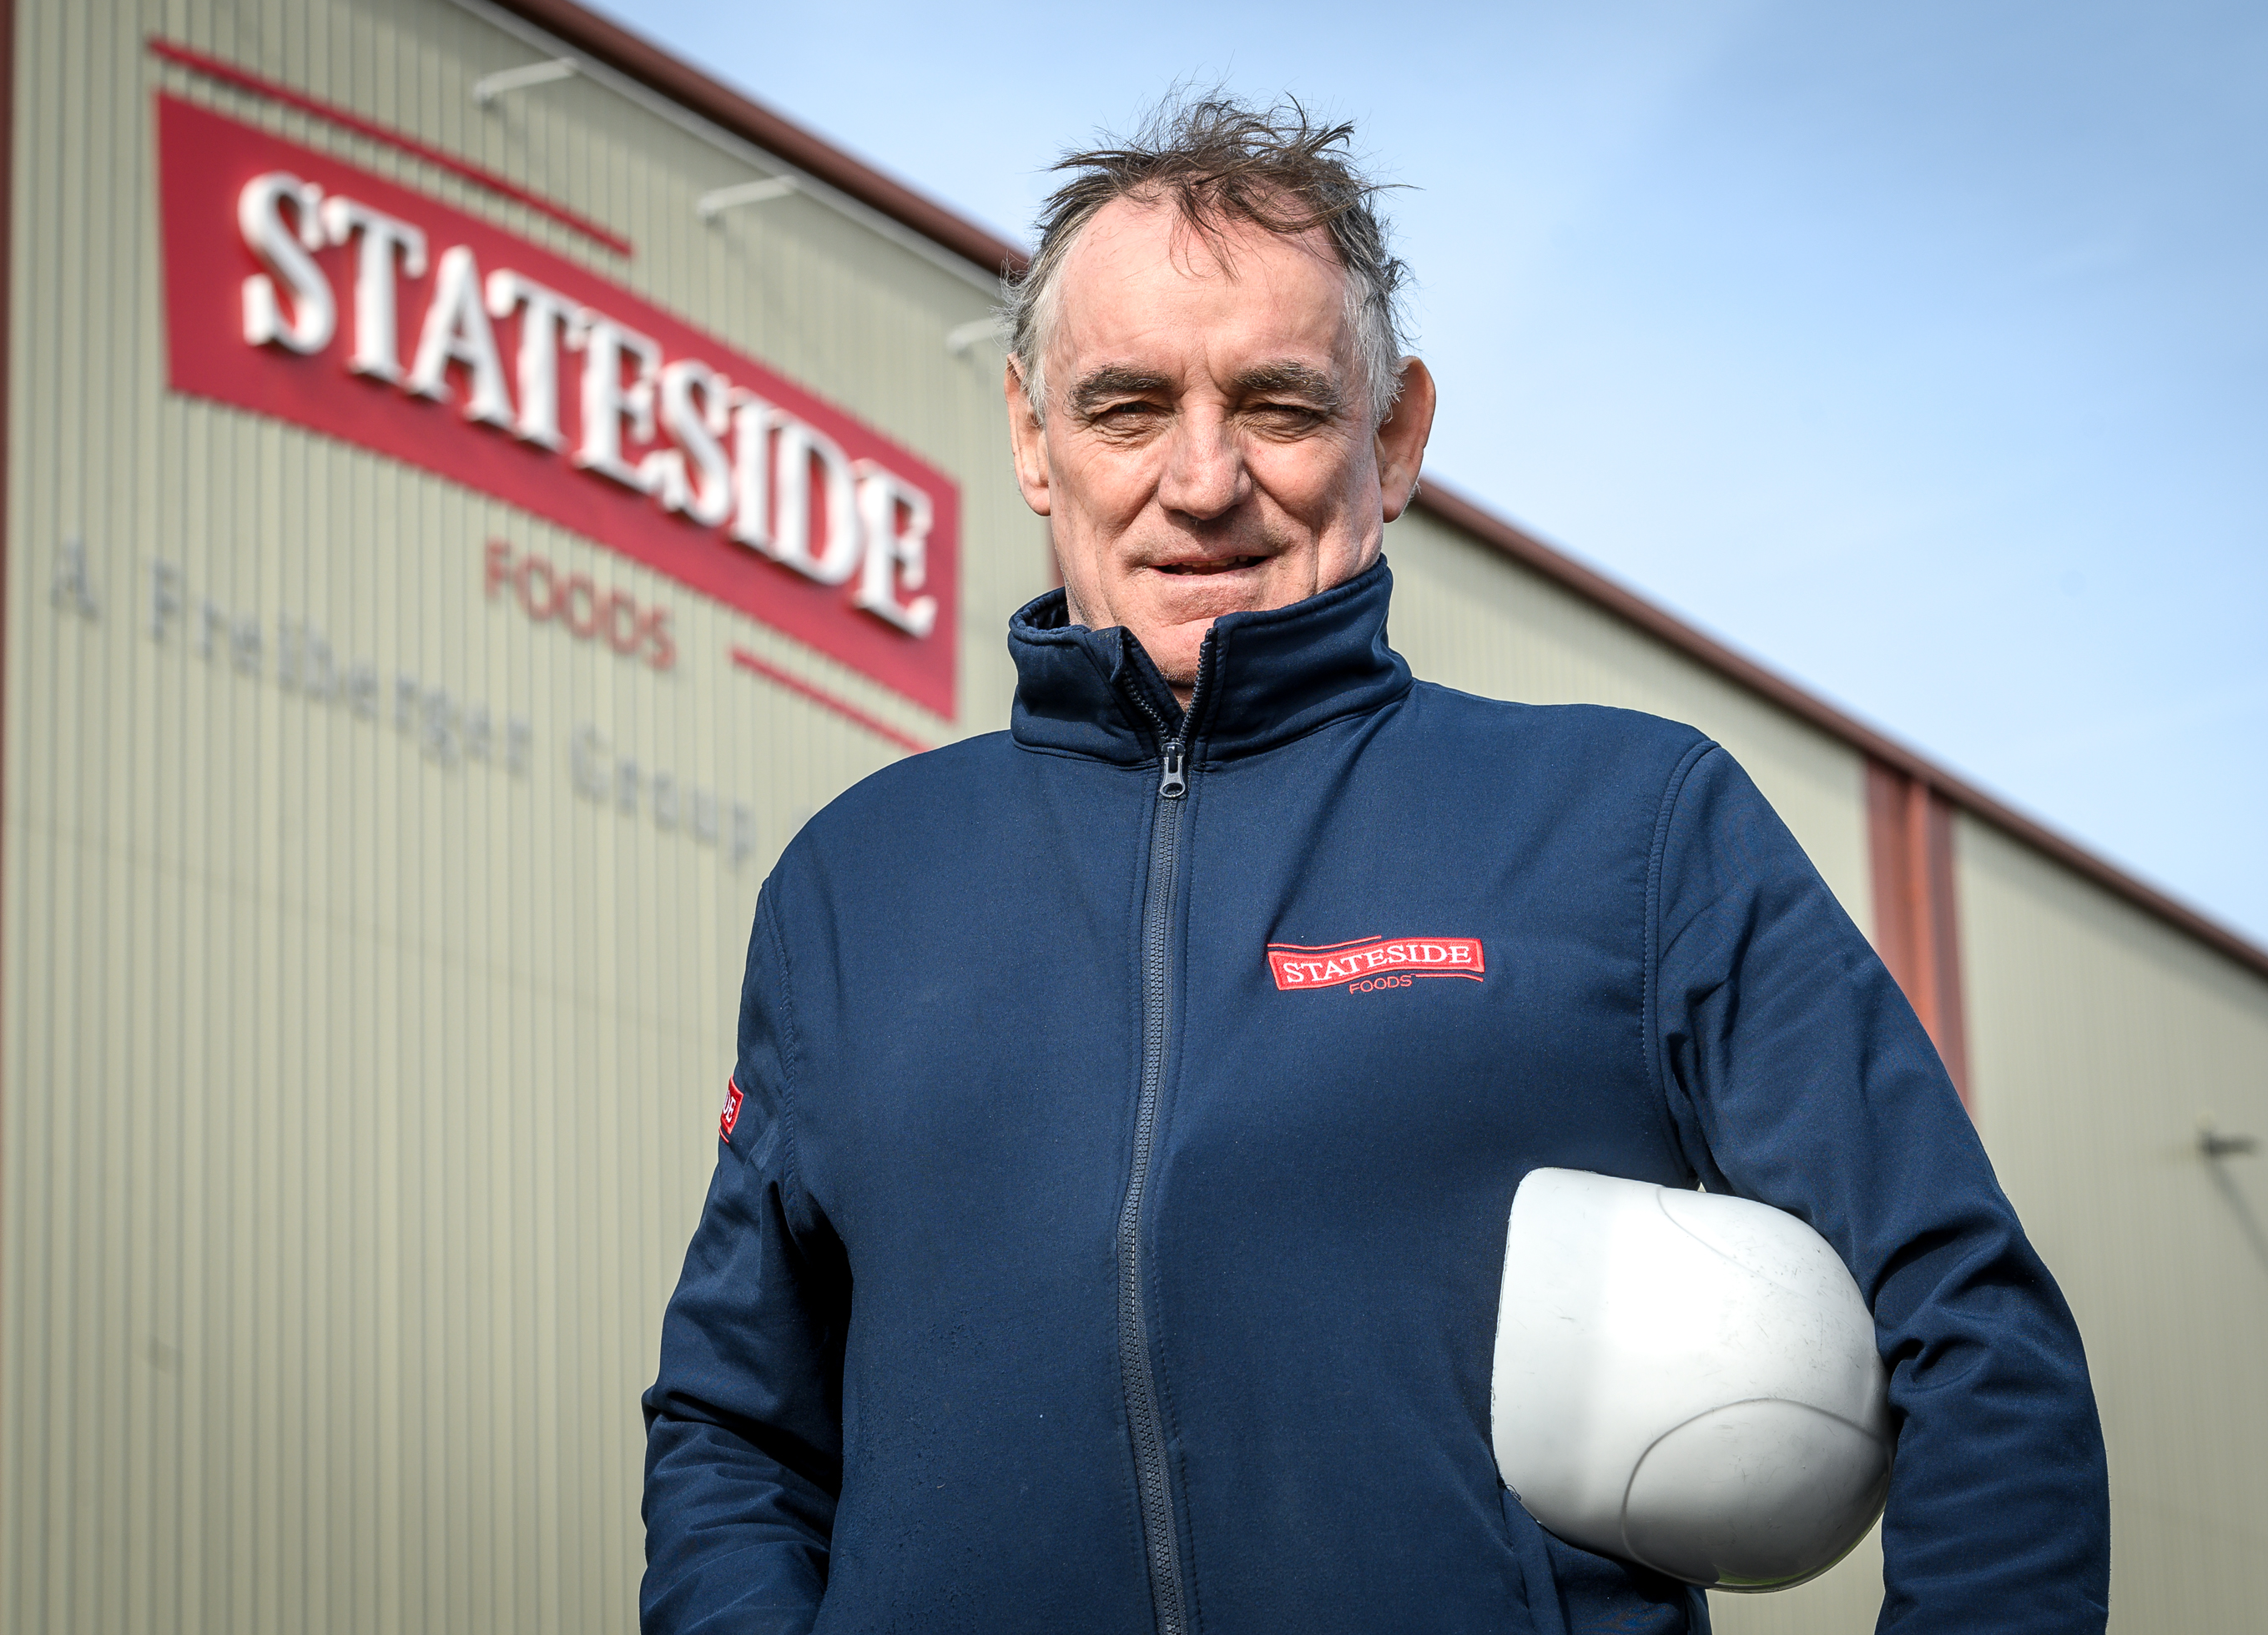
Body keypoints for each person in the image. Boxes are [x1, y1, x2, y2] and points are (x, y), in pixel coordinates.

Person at [641, 97, 2107, 1635]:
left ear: (1396, 436)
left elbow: (1971, 1330)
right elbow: (739, 1431)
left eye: (1277, 406)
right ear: (1030, 435)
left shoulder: (1628, 825)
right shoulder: (851, 888)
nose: (1201, 482)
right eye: (1128, 408)